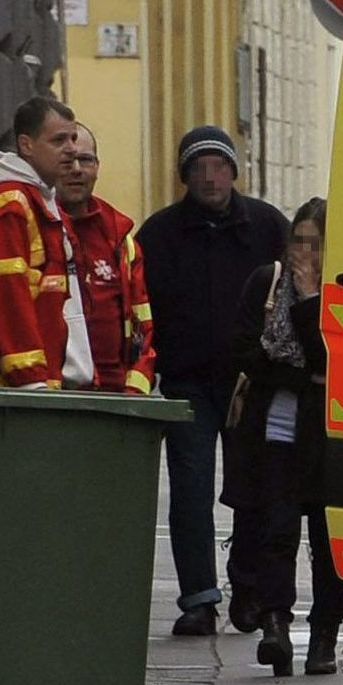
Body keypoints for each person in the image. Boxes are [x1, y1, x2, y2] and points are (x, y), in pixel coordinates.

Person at [134, 126, 289, 636]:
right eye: (197, 167)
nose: (209, 176)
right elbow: (137, 310)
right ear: (183, 176)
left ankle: (247, 591)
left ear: (234, 172)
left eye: (218, 165)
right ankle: (198, 599)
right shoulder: (157, 236)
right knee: (190, 491)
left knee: (253, 491)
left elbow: (297, 289)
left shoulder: (267, 227)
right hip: (187, 384)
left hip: (253, 384)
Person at [226, 200, 343, 676]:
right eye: (298, 240)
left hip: (328, 432)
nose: (304, 252)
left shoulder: (342, 293)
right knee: (277, 530)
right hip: (276, 429)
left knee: (327, 540)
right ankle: (275, 625)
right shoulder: (268, 283)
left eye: (315, 244)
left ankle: (324, 635)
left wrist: (312, 298)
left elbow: (329, 356)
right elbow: (243, 350)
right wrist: (288, 371)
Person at [0, 97, 96, 389]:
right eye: (58, 140)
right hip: (2, 389)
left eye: (72, 138)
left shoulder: (40, 202)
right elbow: (6, 298)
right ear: (26, 145)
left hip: (32, 386)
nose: (71, 149)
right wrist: (30, 380)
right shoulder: (8, 207)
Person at [48, 123, 156, 397]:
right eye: (67, 161)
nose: (76, 169)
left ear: (97, 167)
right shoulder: (37, 231)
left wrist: (135, 394)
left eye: (85, 160)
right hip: (57, 396)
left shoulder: (121, 241)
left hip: (117, 397)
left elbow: (143, 328)